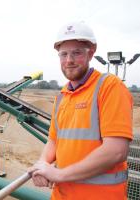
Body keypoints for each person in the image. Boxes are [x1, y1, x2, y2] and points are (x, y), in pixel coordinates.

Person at [28, 21, 133, 200]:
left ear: (91, 53)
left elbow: (116, 150)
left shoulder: (109, 87)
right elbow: (54, 140)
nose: (69, 60)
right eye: (64, 54)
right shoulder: (62, 96)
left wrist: (58, 175)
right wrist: (43, 165)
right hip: (61, 196)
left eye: (76, 53)